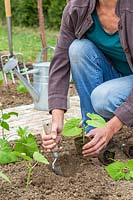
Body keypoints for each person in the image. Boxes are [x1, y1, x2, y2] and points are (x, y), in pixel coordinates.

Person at [42, 0, 133, 157]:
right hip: (117, 77)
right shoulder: (78, 9)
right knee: (78, 49)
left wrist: (112, 127)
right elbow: (60, 62)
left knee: (103, 98)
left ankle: (107, 131)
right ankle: (94, 137)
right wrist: (56, 119)